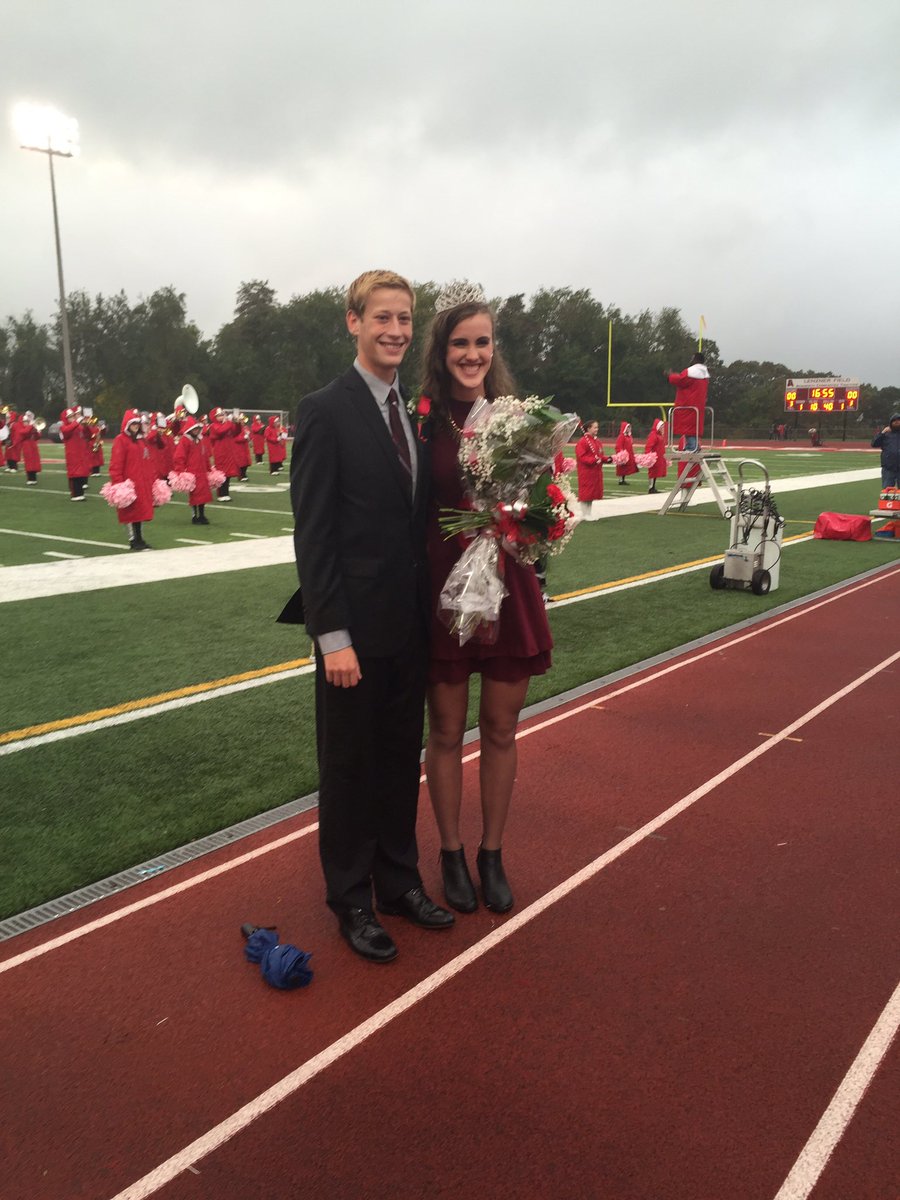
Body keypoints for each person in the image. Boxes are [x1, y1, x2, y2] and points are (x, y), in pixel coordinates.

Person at [278, 269, 451, 964]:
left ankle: (398, 881)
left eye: (405, 320)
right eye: (383, 317)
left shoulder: (411, 411)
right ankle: (350, 898)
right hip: (351, 633)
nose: (396, 331)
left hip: (406, 630)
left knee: (394, 763)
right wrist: (332, 636)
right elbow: (313, 534)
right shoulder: (324, 409)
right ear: (353, 322)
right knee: (349, 769)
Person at [421, 280, 555, 917]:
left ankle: (491, 853)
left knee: (500, 728)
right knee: (445, 731)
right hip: (445, 587)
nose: (471, 354)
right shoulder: (423, 420)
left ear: (493, 348)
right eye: (459, 343)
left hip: (508, 583)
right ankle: (449, 852)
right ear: (441, 350)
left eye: (481, 342)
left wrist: (532, 524)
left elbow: (544, 502)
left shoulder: (517, 417)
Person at [108, 409, 156, 550]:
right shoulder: (120, 440)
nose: (136, 426)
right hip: (129, 484)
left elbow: (148, 461)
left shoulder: (142, 440)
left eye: (137, 423)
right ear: (127, 424)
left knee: (140, 513)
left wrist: (152, 479)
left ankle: (140, 538)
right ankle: (133, 540)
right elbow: (116, 464)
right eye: (133, 423)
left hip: (142, 483)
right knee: (130, 513)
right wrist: (118, 484)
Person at [172, 414, 214, 523]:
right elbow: (179, 457)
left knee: (203, 495)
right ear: (190, 429)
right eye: (194, 429)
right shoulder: (185, 440)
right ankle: (195, 515)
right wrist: (180, 471)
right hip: (191, 472)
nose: (196, 431)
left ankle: (202, 515)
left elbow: (204, 456)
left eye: (197, 429)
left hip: (202, 472)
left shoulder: (200, 440)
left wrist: (209, 469)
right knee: (194, 496)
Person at [666, 352, 710, 452]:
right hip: (698, 406)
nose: (690, 361)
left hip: (688, 404)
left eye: (692, 358)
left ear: (696, 360)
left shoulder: (691, 371)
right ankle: (694, 446)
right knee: (693, 429)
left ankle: (692, 447)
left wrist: (670, 375)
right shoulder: (704, 373)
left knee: (688, 428)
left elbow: (680, 380)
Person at [575, 419, 611, 519]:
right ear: (588, 428)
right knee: (586, 493)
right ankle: (584, 513)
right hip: (587, 472)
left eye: (597, 427)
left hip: (596, 472)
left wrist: (608, 459)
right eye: (595, 427)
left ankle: (588, 513)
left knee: (592, 494)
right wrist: (593, 460)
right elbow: (582, 457)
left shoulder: (597, 441)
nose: (597, 429)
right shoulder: (583, 441)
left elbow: (600, 455)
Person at [59, 406, 93, 500]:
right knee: (75, 475)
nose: (73, 417)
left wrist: (86, 427)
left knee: (82, 474)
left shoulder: (78, 427)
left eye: (73, 416)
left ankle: (80, 494)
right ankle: (75, 494)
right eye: (70, 416)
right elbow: (66, 431)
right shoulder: (64, 427)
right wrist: (77, 422)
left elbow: (88, 436)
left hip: (81, 454)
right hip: (72, 455)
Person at [872, 413, 900, 488]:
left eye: (898, 420)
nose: (897, 422)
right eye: (894, 421)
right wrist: (882, 433)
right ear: (891, 422)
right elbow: (874, 444)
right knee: (887, 492)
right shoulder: (886, 434)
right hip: (888, 468)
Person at [644, 417, 668, 494]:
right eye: (662, 426)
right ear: (658, 426)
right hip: (654, 457)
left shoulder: (659, 435)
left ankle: (653, 487)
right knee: (652, 472)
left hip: (659, 457)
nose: (663, 428)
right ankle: (651, 488)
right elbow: (648, 446)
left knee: (656, 472)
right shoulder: (653, 434)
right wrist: (649, 456)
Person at [18, 412, 43, 484]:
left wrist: (36, 431)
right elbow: (25, 432)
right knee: (29, 463)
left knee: (34, 463)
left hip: (33, 447)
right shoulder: (22, 429)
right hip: (27, 448)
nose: (25, 423)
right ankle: (30, 479)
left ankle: (34, 479)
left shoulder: (31, 428)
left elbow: (38, 437)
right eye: (25, 422)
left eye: (27, 422)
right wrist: (32, 425)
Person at [615, 421, 638, 485]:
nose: (629, 429)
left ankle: (623, 480)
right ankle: (620, 480)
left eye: (630, 427)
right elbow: (618, 446)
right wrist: (621, 454)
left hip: (628, 454)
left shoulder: (629, 436)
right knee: (621, 467)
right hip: (623, 455)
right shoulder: (621, 436)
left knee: (625, 468)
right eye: (628, 427)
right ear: (625, 428)